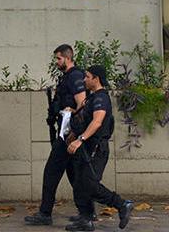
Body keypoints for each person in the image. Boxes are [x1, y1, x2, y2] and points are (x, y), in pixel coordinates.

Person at [25, 44, 88, 226]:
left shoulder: (75, 75)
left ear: (68, 58)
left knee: (51, 172)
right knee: (74, 174)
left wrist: (72, 116)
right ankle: (87, 212)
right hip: (66, 131)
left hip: (68, 133)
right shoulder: (68, 76)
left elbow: (82, 103)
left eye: (58, 59)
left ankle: (45, 214)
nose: (57, 62)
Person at [65, 65, 133, 231]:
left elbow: (97, 121)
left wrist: (80, 139)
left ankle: (122, 204)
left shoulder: (101, 98)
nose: (84, 80)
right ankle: (85, 219)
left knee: (89, 184)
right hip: (86, 147)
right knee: (79, 183)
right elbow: (85, 118)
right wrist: (72, 114)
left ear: (96, 78)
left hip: (96, 148)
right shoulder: (92, 98)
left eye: (87, 77)